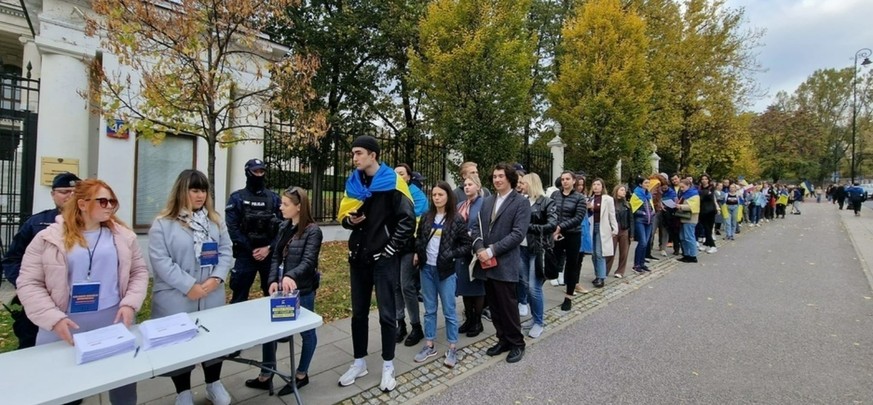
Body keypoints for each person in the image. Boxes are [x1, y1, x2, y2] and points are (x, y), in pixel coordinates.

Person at [18, 178, 148, 405]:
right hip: (64, 324)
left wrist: (130, 303)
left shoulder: (123, 236)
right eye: (103, 201)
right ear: (82, 204)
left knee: (123, 383)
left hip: (112, 318)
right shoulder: (48, 237)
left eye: (112, 202)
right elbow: (29, 283)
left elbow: (139, 272)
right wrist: (53, 319)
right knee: (60, 388)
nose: (109, 206)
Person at [337, 135, 415, 392]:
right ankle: (359, 362)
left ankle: (388, 365)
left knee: (386, 315)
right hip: (358, 257)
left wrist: (390, 249)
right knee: (358, 313)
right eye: (353, 153)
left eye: (358, 153)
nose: (354, 157)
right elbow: (344, 215)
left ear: (373, 154)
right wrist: (350, 221)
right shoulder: (354, 181)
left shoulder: (393, 182)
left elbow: (407, 220)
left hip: (383, 259)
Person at [148, 170, 233, 405]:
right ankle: (183, 391)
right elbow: (161, 261)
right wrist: (188, 286)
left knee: (213, 341)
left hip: (211, 292)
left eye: (203, 190)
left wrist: (217, 277)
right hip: (177, 296)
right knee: (180, 345)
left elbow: (226, 250)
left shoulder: (214, 221)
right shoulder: (163, 224)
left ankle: (213, 383)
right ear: (182, 191)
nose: (200, 196)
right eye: (195, 190)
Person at [246, 187, 322, 395]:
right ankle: (266, 374)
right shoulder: (284, 227)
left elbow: (308, 261)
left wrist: (291, 276)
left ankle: (301, 374)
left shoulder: (312, 230)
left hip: (302, 291)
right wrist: (272, 280)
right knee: (271, 330)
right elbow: (276, 257)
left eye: (285, 204)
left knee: (308, 333)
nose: (281, 207)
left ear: (299, 207)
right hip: (280, 290)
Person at [2, 172, 80, 349]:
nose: (71, 195)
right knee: (32, 348)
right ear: (53, 194)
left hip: (78, 300)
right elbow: (12, 259)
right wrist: (26, 285)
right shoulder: (36, 223)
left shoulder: (92, 224)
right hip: (40, 301)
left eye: (75, 191)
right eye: (64, 191)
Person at [471, 163, 531, 363]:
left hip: (505, 263)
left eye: (501, 176)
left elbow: (517, 234)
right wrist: (479, 248)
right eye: (495, 176)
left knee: (508, 306)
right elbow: (477, 227)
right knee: (494, 307)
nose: (497, 179)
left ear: (510, 179)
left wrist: (491, 250)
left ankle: (517, 343)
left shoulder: (520, 202)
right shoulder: (487, 201)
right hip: (486, 263)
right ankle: (502, 339)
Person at [412, 181, 472, 368]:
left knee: (449, 311)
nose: (437, 198)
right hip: (426, 269)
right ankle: (429, 344)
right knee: (429, 310)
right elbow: (420, 238)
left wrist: (450, 254)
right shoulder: (426, 216)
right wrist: (418, 252)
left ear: (448, 197)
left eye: (441, 195)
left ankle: (452, 347)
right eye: (435, 195)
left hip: (445, 271)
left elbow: (466, 245)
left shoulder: (456, 219)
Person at [226, 158, 282, 304]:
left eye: (262, 171)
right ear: (248, 173)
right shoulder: (236, 198)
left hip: (269, 255)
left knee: (273, 296)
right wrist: (252, 249)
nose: (259, 174)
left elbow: (283, 228)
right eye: (255, 171)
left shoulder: (274, 199)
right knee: (239, 297)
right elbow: (232, 228)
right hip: (245, 254)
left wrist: (268, 248)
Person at [393, 163, 428, 346]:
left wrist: (417, 250)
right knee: (396, 286)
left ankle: (416, 326)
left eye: (401, 173)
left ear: (408, 177)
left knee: (407, 286)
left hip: (409, 245)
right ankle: (400, 324)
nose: (397, 176)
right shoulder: (391, 192)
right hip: (393, 246)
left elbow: (418, 221)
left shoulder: (417, 195)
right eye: (395, 173)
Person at [518, 173, 556, 338]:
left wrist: (529, 226)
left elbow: (552, 225)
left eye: (523, 183)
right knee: (526, 285)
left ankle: (539, 322)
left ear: (531, 184)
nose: (521, 185)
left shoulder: (547, 202)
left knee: (534, 287)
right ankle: (535, 318)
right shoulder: (523, 201)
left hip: (538, 250)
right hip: (522, 249)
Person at [456, 175, 487, 337]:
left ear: (478, 186)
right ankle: (468, 319)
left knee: (477, 287)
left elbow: (485, 226)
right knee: (464, 287)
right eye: (465, 185)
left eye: (470, 184)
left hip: (476, 250)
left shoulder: (484, 203)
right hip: (462, 250)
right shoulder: (461, 205)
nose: (466, 187)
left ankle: (477, 321)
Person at [550, 171, 586, 310]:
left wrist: (561, 227)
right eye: (563, 179)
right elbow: (551, 212)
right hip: (556, 234)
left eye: (567, 179)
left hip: (572, 235)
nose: (564, 181)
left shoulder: (579, 198)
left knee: (571, 266)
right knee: (552, 262)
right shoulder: (555, 195)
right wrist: (554, 228)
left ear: (573, 181)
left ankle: (568, 297)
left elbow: (578, 218)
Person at [606, 184, 633, 278]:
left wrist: (632, 234)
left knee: (624, 252)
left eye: (624, 191)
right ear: (616, 191)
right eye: (621, 190)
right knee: (610, 251)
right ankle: (605, 270)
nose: (624, 192)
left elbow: (631, 219)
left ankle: (620, 271)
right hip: (613, 230)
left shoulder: (627, 205)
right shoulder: (610, 202)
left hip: (624, 229)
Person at [630, 176, 654, 273]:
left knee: (646, 243)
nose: (647, 185)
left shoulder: (648, 194)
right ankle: (636, 264)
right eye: (645, 183)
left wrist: (652, 212)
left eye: (648, 183)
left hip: (649, 221)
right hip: (640, 221)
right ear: (640, 184)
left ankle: (642, 263)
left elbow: (651, 206)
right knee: (642, 242)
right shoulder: (636, 194)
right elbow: (633, 209)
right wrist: (643, 213)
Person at [677, 178, 700, 263]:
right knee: (683, 237)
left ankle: (693, 256)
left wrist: (680, 206)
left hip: (690, 219)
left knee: (689, 237)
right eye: (680, 187)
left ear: (688, 185)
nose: (681, 189)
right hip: (683, 218)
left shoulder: (694, 194)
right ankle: (686, 254)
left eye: (683, 187)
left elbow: (693, 207)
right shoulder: (685, 194)